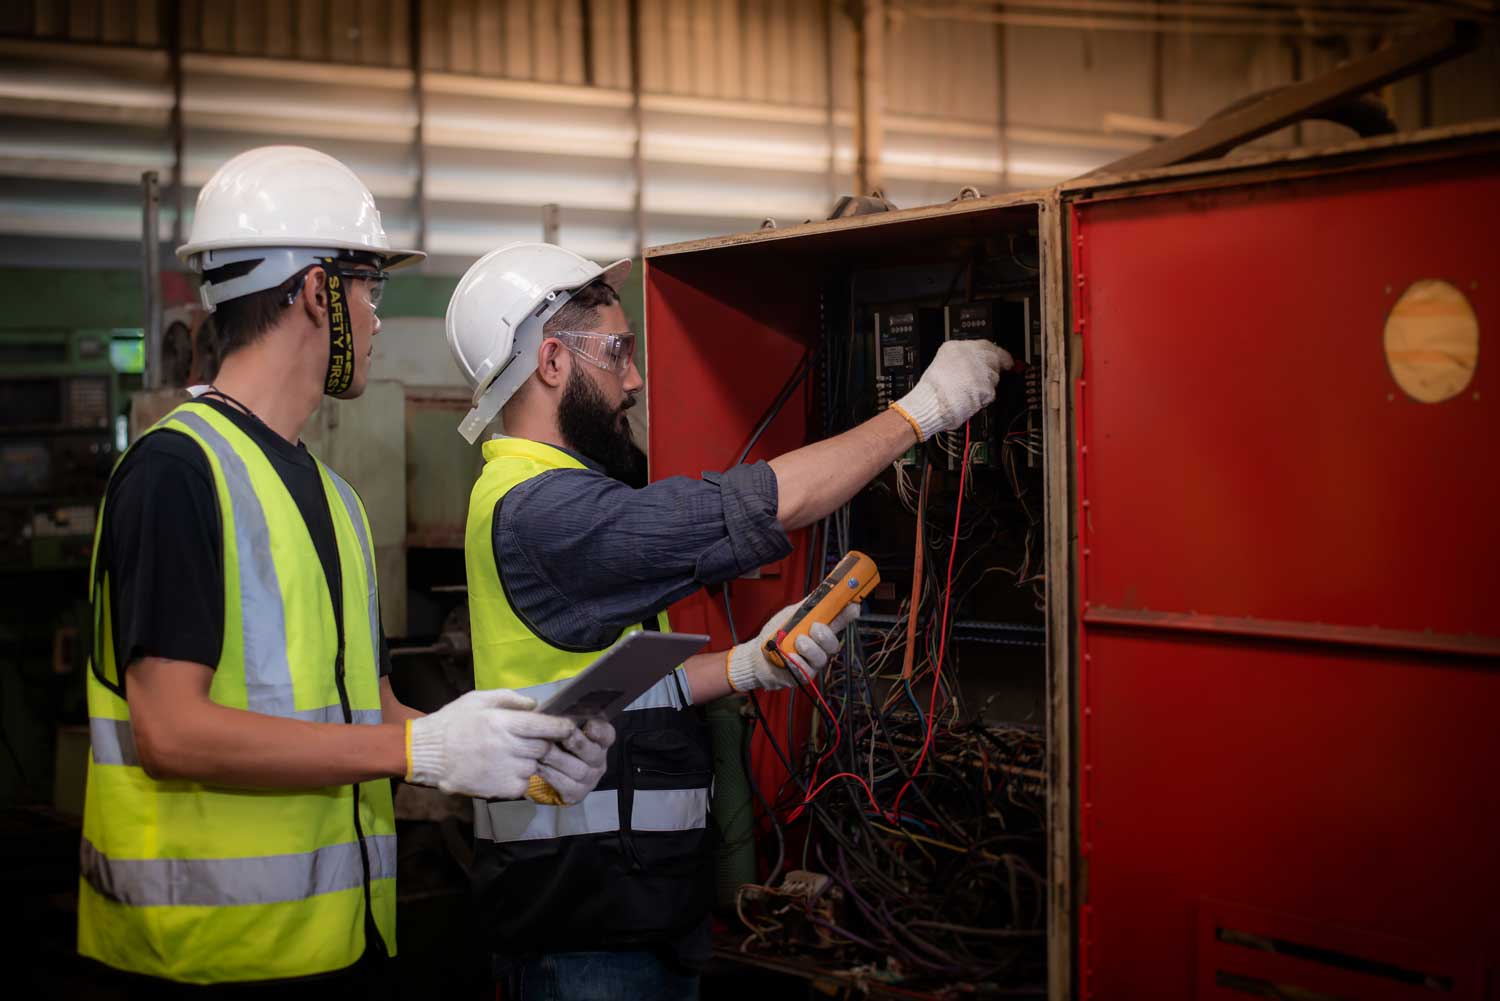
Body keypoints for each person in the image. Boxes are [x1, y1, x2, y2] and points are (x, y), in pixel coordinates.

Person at [78, 148, 614, 998]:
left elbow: (363, 706)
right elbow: (171, 732)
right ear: (314, 290)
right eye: (371, 290)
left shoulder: (332, 495)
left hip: (336, 941)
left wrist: (499, 740)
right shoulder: (176, 472)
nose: (373, 320)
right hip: (204, 960)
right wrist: (416, 747)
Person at [445, 242, 1010, 999]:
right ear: (553, 361)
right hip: (581, 929)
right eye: (619, 353)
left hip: (643, 910)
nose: (636, 378)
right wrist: (919, 414)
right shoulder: (541, 510)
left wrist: (746, 663)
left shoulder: (557, 495)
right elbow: (752, 506)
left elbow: (602, 687)